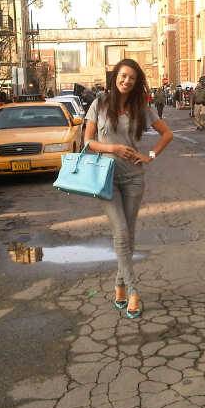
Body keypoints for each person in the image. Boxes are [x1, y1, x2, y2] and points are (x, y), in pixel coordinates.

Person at [84, 58, 173, 319]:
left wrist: (150, 156)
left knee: (128, 235)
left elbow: (167, 134)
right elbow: (87, 141)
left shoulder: (141, 107)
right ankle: (133, 290)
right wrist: (112, 148)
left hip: (134, 177)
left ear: (136, 83)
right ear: (115, 78)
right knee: (121, 231)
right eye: (123, 76)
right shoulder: (99, 104)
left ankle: (119, 285)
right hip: (106, 177)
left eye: (132, 78)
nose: (126, 81)